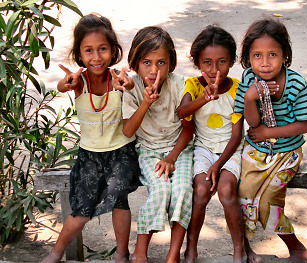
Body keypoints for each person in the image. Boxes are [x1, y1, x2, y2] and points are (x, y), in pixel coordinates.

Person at [41, 13, 141, 263]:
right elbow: (62, 86)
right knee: (82, 210)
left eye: (103, 49)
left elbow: (128, 85)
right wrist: (66, 81)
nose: (97, 57)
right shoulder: (79, 81)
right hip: (89, 155)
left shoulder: (118, 78)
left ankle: (121, 253)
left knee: (119, 196)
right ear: (80, 55)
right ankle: (56, 252)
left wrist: (126, 85)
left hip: (121, 151)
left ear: (113, 50)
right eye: (89, 51)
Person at [234, 18, 307, 263]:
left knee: (267, 204)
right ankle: (246, 248)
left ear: (285, 55)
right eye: (257, 55)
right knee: (243, 196)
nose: (265, 62)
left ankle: (296, 247)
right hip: (257, 151)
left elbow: (306, 124)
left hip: (287, 153)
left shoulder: (295, 83)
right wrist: (251, 98)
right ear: (248, 58)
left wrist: (268, 133)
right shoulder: (249, 78)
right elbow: (252, 123)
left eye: (272, 54)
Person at [122, 26, 194, 263]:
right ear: (135, 63)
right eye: (147, 62)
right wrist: (145, 102)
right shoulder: (131, 88)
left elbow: (188, 128)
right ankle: (140, 251)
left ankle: (173, 255)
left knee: (182, 190)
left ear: (171, 64)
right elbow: (128, 130)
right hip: (148, 150)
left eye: (161, 63)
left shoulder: (179, 84)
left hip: (179, 149)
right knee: (162, 189)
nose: (154, 71)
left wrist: (172, 157)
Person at [176, 25, 246, 263]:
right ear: (197, 63)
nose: (215, 70)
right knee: (201, 191)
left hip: (231, 150)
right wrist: (203, 99)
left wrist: (218, 166)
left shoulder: (237, 89)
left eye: (222, 62)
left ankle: (239, 250)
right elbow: (181, 112)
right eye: (207, 62)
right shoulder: (194, 86)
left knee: (227, 190)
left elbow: (237, 136)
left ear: (232, 61)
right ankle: (191, 248)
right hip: (204, 149)